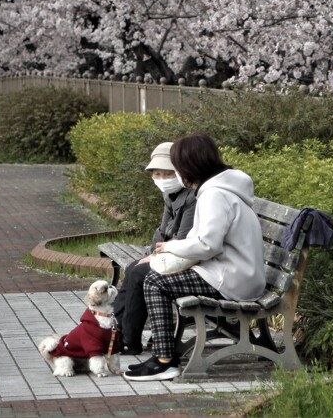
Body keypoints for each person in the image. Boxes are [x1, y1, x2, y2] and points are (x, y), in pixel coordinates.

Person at [124, 134, 265, 381]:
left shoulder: (214, 195)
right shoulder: (220, 187)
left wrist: (171, 248)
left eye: (177, 167)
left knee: (155, 282)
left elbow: (207, 245)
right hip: (236, 272)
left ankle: (165, 360)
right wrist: (174, 246)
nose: (176, 173)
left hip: (232, 278)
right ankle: (163, 355)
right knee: (156, 278)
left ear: (189, 166)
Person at [112, 142, 197, 355]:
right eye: (156, 174)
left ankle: (128, 340)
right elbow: (162, 229)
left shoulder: (193, 197)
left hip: (186, 258)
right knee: (133, 268)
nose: (161, 179)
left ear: (179, 172)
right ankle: (117, 333)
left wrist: (156, 256)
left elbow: (184, 238)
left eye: (167, 173)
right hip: (170, 251)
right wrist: (153, 252)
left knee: (139, 272)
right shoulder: (170, 195)